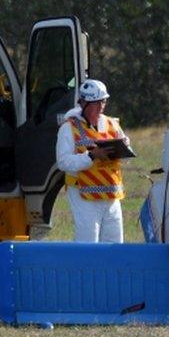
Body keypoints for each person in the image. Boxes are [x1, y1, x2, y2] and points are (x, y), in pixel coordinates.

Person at [55, 79, 130, 243]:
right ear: (83, 103)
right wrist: (91, 156)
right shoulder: (68, 129)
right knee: (88, 244)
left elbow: (125, 150)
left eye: (103, 102)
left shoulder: (112, 124)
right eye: (96, 103)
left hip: (111, 195)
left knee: (114, 246)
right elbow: (63, 162)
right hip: (84, 194)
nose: (100, 107)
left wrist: (123, 147)